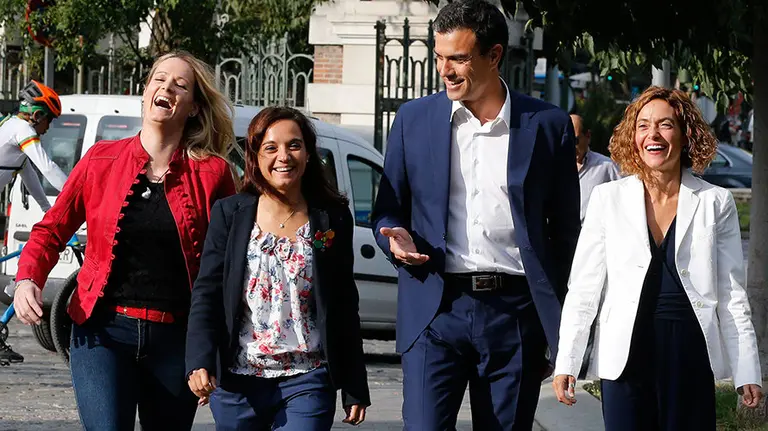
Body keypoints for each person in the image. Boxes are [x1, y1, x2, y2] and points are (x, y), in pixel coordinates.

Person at [371, 0, 580, 429]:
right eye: (439, 57)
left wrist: (557, 327)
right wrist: (391, 235)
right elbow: (388, 209)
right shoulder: (413, 120)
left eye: (459, 58)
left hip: (515, 313)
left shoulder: (547, 125)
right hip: (434, 306)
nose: (445, 70)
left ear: (494, 55)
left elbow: (564, 234)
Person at [12, 51, 237, 430]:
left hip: (177, 338)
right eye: (159, 79)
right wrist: (27, 279)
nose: (166, 87)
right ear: (145, 92)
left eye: (180, 85)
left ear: (195, 107)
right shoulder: (101, 159)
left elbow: (230, 264)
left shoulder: (213, 173)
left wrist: (216, 346)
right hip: (102, 331)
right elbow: (51, 229)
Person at [553, 87, 763, 430]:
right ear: (633, 137)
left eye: (665, 125)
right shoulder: (608, 199)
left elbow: (731, 294)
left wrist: (747, 370)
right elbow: (583, 289)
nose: (653, 134)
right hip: (625, 357)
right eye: (643, 125)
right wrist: (567, 361)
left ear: (684, 134)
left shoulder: (715, 202)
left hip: (690, 356)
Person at [185, 106, 370, 430]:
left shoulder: (331, 218)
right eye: (271, 148)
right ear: (255, 157)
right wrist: (199, 360)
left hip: (308, 379)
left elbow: (343, 303)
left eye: (294, 145)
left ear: (309, 154)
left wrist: (354, 385)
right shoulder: (230, 213)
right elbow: (208, 292)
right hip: (237, 383)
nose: (283, 156)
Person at [0, 81, 71, 365]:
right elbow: (48, 167)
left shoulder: (15, 135)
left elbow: (33, 181)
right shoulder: (22, 130)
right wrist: (79, 194)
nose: (48, 128)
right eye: (49, 120)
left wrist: (52, 212)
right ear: (37, 114)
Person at [572, 114, 621, 224]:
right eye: (565, 140)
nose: (570, 146)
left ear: (588, 136)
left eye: (575, 141)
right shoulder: (553, 168)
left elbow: (627, 196)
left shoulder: (606, 166)